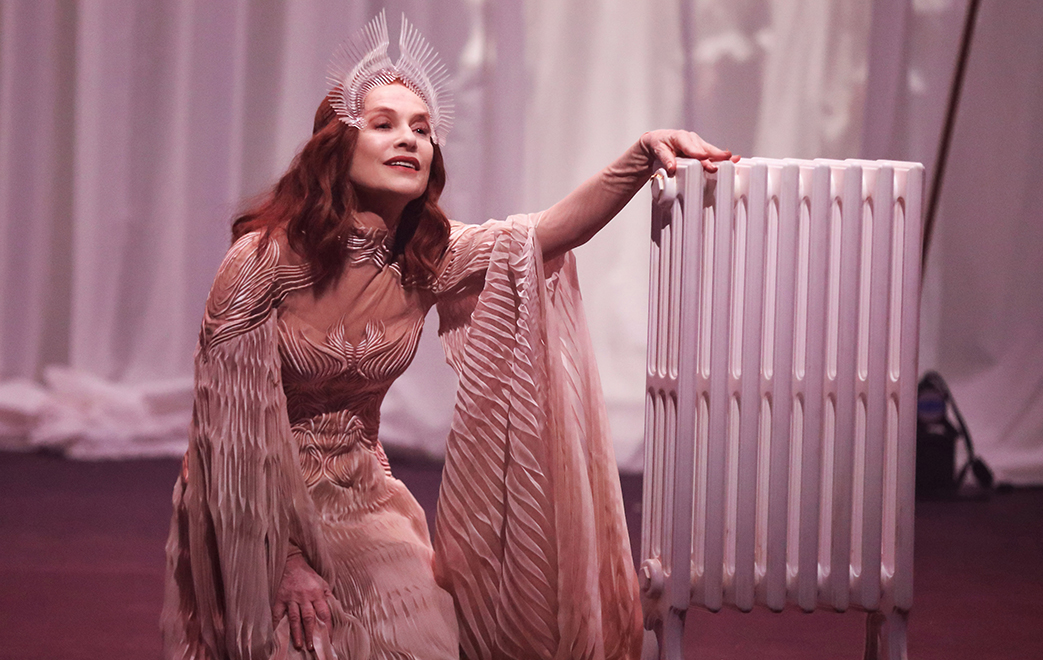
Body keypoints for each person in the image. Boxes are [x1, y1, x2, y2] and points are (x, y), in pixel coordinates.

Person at [161, 12, 734, 660]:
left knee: (426, 647)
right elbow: (224, 436)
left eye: (422, 128)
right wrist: (286, 561)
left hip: (359, 498)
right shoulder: (262, 260)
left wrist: (639, 156)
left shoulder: (425, 257)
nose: (408, 139)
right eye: (383, 124)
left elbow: (542, 234)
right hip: (246, 505)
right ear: (336, 147)